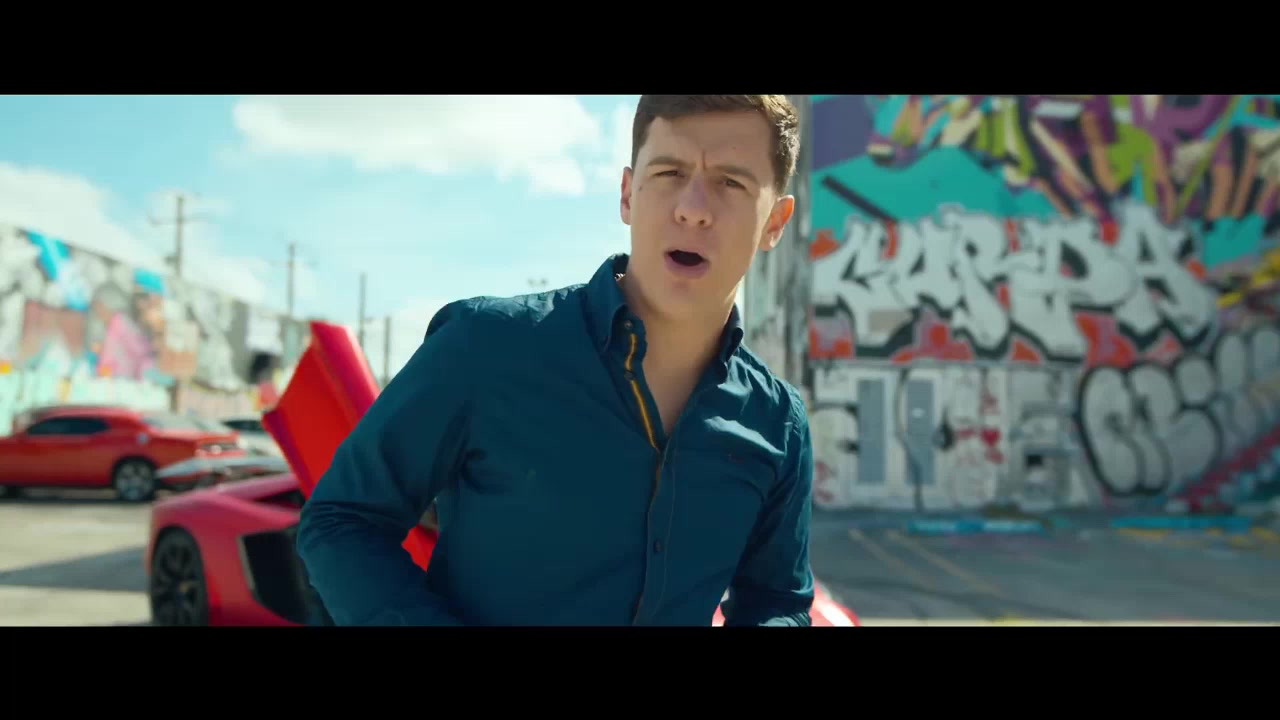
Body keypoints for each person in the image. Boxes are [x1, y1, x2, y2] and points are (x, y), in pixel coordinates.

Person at [295, 94, 815, 626]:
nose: (693, 208)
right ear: (627, 195)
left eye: (730, 182)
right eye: (669, 173)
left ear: (775, 222)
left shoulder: (778, 423)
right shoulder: (485, 347)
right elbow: (341, 521)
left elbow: (778, 602)